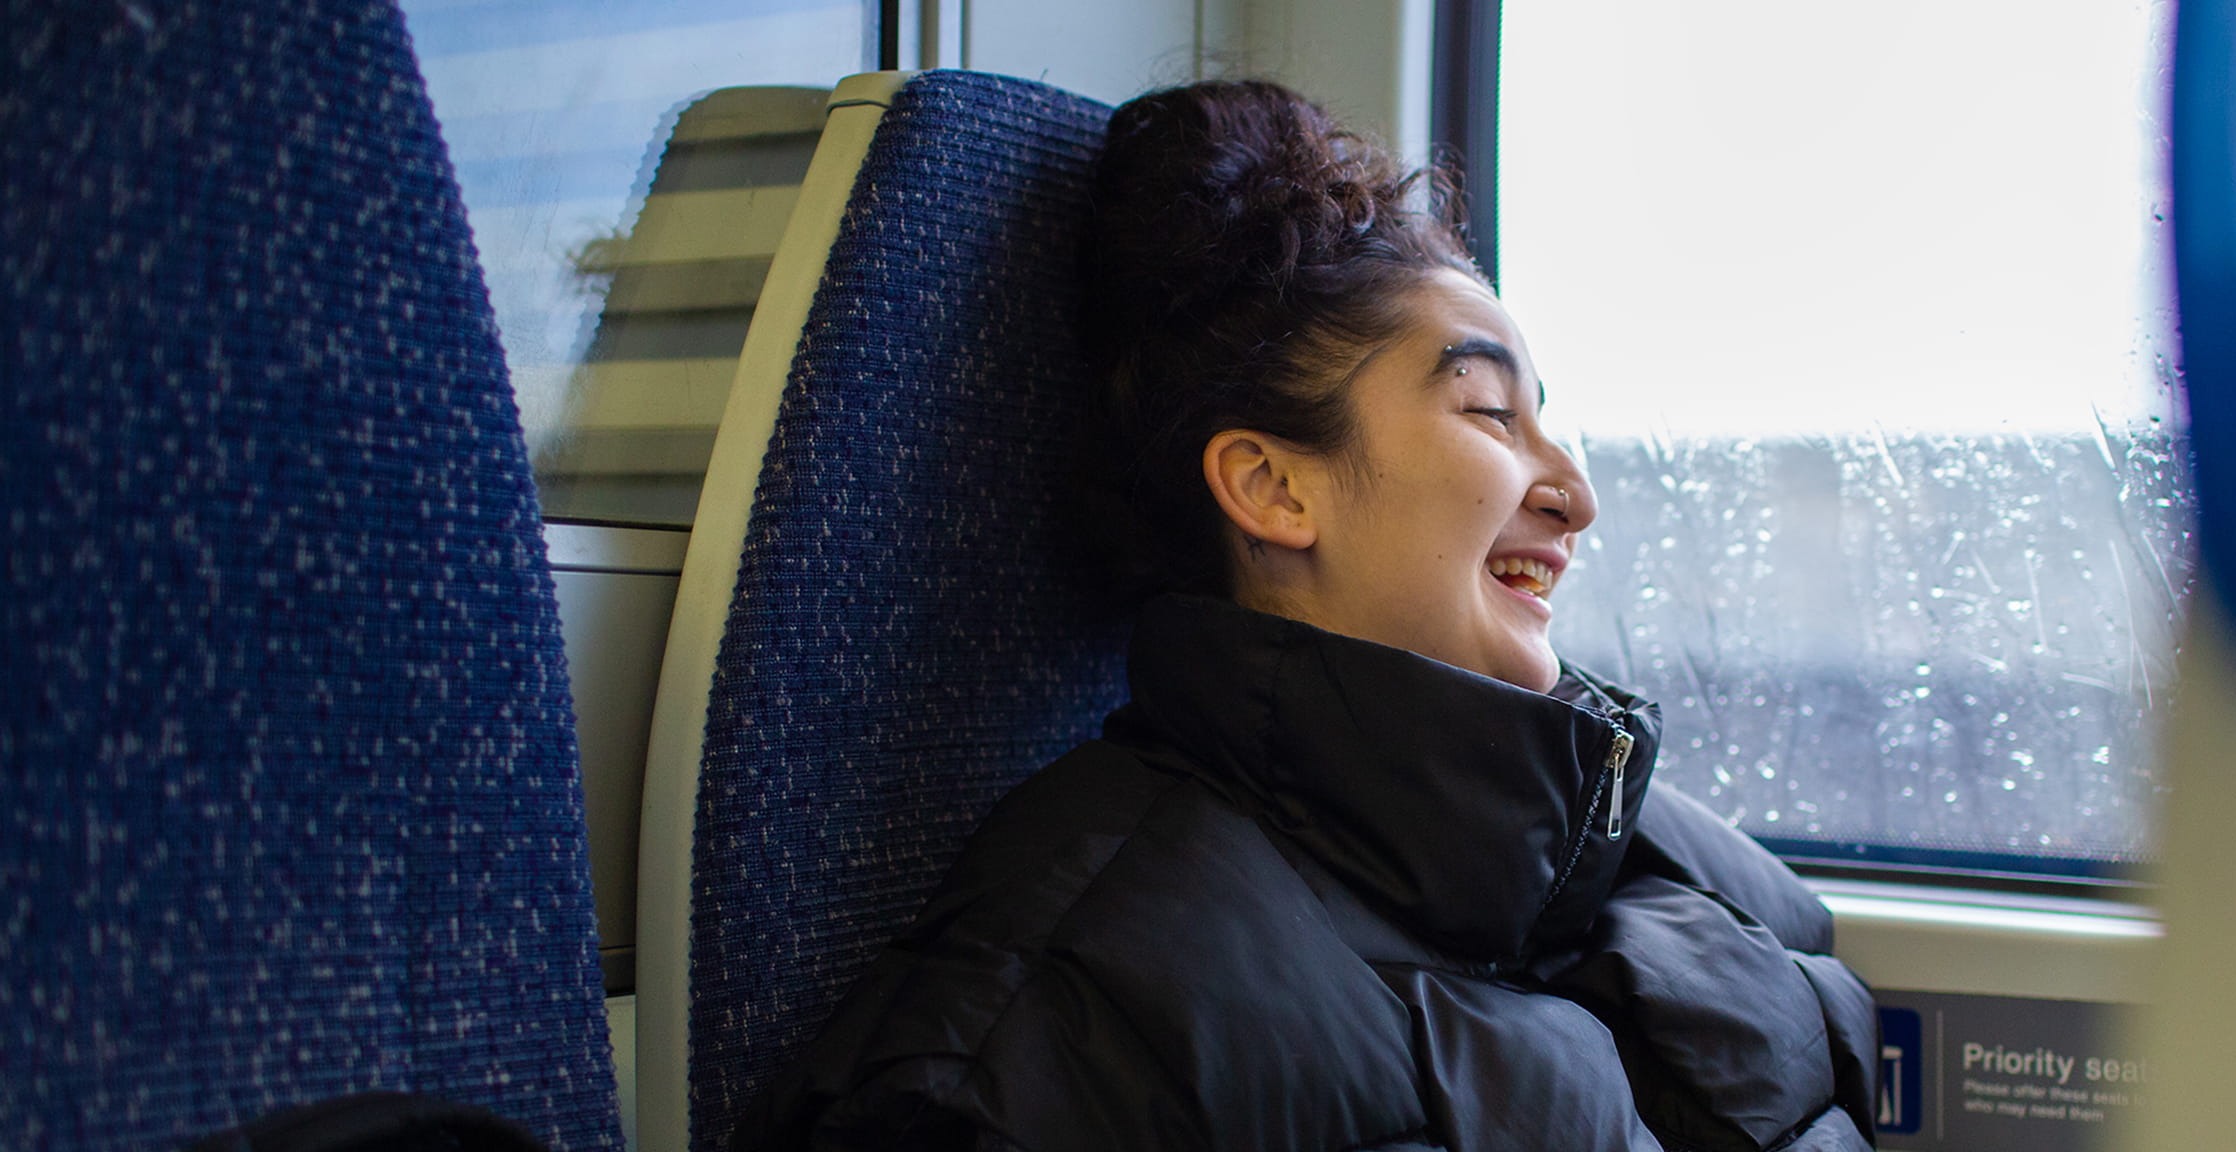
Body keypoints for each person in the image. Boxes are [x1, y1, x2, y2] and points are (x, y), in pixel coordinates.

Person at [739, 79, 1879, 1152]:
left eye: (1548, 421)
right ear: (1275, 489)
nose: (1574, 495)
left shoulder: (1681, 865)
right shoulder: (1058, 1030)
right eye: (1488, 413)